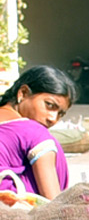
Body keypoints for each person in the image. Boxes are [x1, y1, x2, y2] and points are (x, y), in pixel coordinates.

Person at [0, 65, 76, 200]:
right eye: (50, 105)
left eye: (61, 114)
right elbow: (53, 206)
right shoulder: (34, 132)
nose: (53, 119)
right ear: (22, 93)